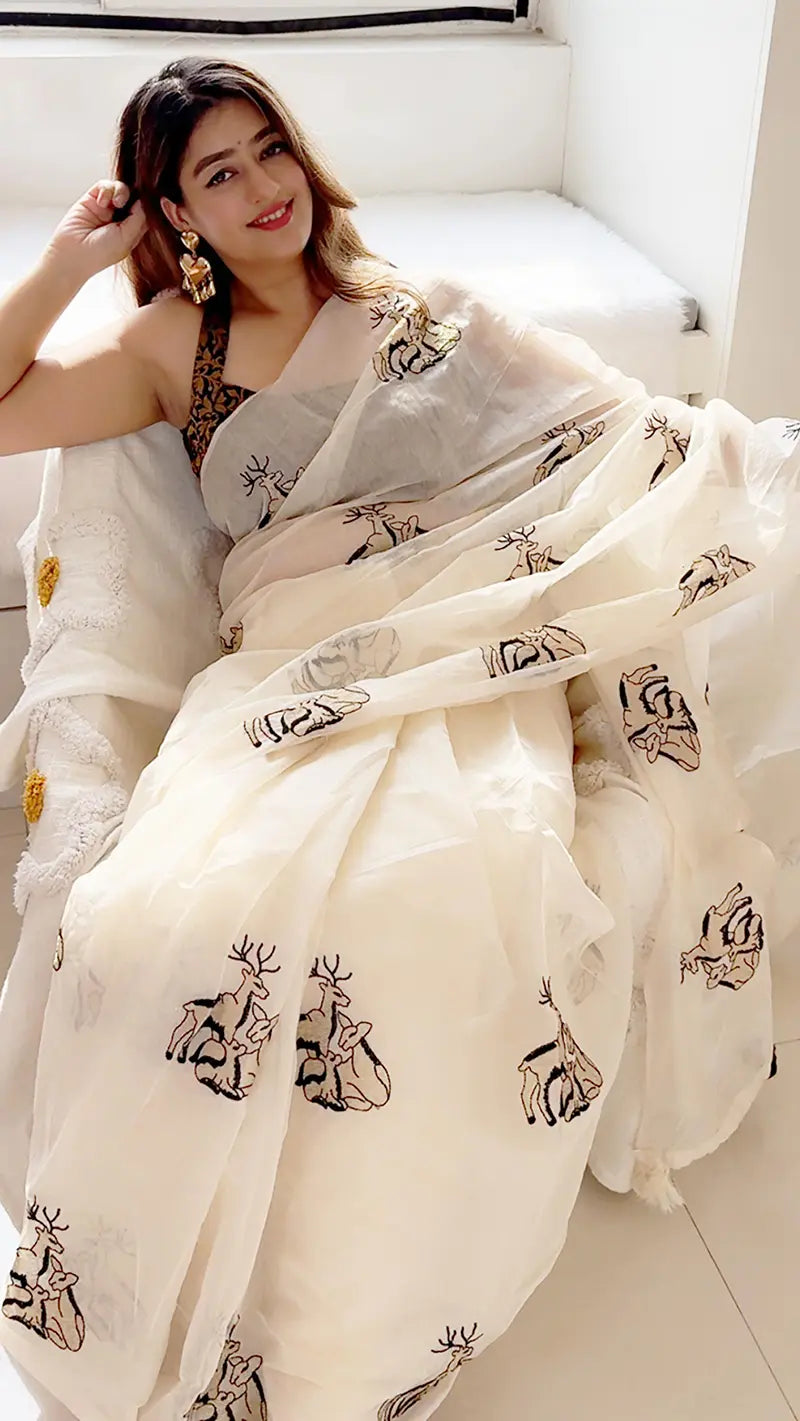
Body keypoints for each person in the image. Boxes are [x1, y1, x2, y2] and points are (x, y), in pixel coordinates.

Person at [0, 54, 795, 1421]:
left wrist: (741, 473)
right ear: (175, 212)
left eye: (271, 148)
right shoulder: (170, 352)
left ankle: (340, 1320)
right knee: (167, 914)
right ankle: (188, 1287)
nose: (265, 187)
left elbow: (616, 434)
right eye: (218, 173)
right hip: (288, 676)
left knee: (423, 903)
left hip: (469, 656)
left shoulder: (420, 312)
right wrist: (73, 262)